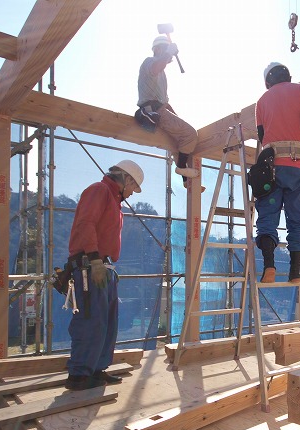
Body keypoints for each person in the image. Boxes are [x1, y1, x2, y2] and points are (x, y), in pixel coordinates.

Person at [64, 160, 144, 390]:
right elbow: (85, 223)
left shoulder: (114, 200)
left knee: (107, 322)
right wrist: (95, 258)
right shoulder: (99, 190)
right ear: (127, 179)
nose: (131, 193)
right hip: (91, 265)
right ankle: (78, 375)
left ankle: (96, 369)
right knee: (90, 320)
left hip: (103, 267)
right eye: (133, 187)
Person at [254, 62, 300, 283]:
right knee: (296, 220)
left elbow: (261, 135)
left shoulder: (261, 101)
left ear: (268, 82)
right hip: (296, 167)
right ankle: (295, 272)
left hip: (269, 169)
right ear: (288, 75)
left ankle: (269, 267)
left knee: (267, 218)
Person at [137, 35, 198, 187]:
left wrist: (178, 120)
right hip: (153, 110)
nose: (168, 54)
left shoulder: (162, 75)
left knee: (179, 140)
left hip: (160, 109)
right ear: (157, 49)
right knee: (190, 134)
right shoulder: (150, 62)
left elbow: (165, 103)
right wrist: (168, 53)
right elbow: (156, 67)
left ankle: (185, 181)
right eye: (164, 48)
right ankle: (181, 169)